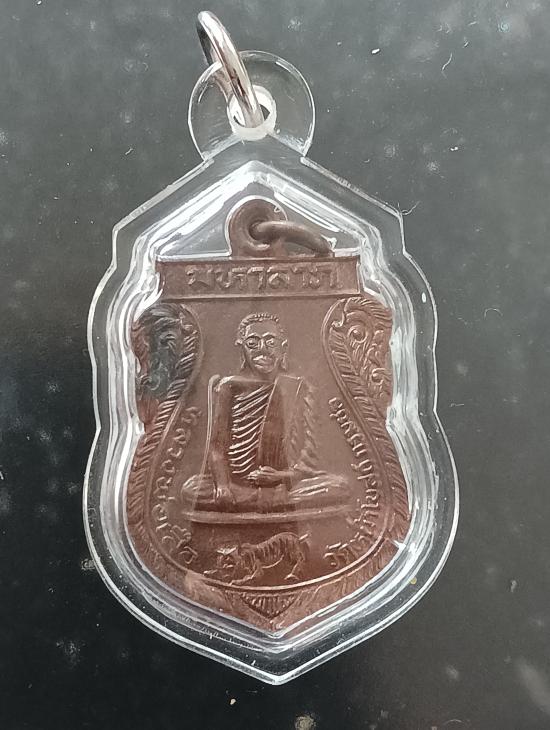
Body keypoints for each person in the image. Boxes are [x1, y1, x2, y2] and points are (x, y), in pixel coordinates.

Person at [182, 312, 348, 512]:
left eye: (271, 342)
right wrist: (223, 485)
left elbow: (310, 456)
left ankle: (258, 500)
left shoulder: (298, 387)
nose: (262, 349)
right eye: (253, 343)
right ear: (242, 348)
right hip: (237, 484)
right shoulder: (229, 386)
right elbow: (217, 448)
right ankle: (271, 501)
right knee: (191, 489)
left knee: (339, 487)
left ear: (283, 347)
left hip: (282, 483)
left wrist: (280, 477)